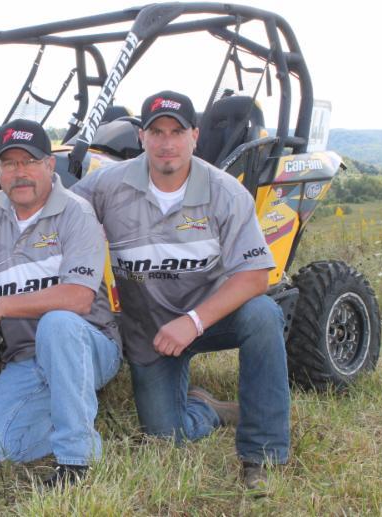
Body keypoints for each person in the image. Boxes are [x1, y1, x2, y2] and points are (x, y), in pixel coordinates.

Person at [71, 90, 290, 490]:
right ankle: (205, 408)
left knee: (263, 315)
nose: (166, 142)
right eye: (156, 132)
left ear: (194, 135)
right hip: (149, 332)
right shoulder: (105, 187)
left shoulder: (224, 191)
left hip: (212, 317)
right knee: (164, 436)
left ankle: (263, 455)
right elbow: (57, 218)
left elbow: (257, 275)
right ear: (142, 137)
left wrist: (192, 322)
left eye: (176, 131)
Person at [0, 118, 122, 487]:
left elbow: (78, 298)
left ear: (49, 165)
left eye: (29, 161)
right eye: (10, 163)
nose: (20, 172)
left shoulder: (76, 213)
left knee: (57, 323)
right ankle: (74, 417)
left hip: (88, 344)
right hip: (27, 359)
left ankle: (76, 461)